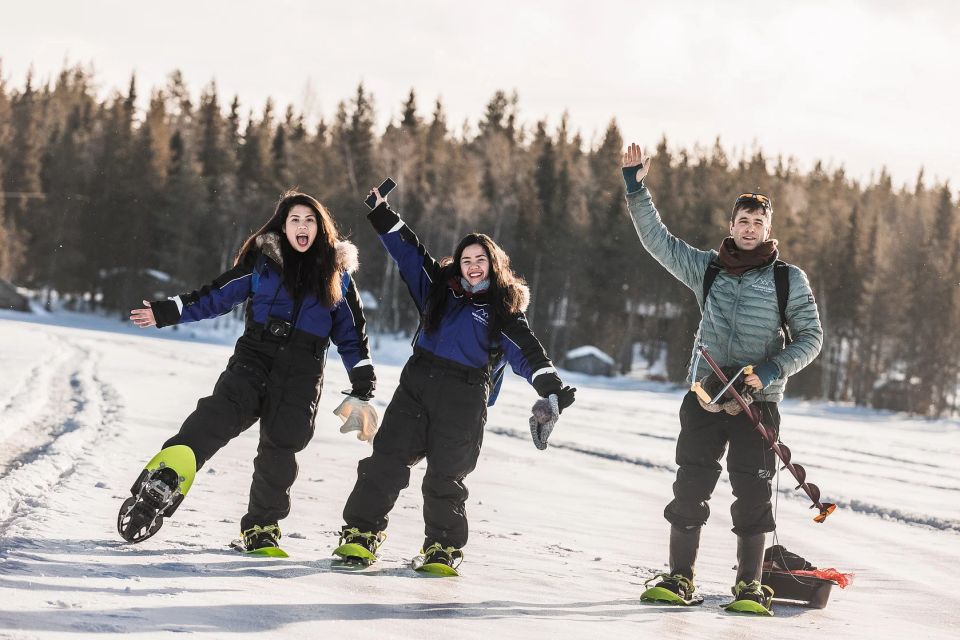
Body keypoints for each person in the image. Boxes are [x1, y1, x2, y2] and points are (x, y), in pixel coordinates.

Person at [621, 143, 823, 612]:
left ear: (768, 230)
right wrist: (635, 187)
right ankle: (679, 579)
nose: (749, 230)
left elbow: (810, 339)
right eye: (743, 222)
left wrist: (770, 370)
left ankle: (749, 586)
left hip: (758, 402)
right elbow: (658, 240)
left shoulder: (787, 280)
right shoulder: (708, 269)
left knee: (752, 494)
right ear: (731, 226)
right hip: (705, 397)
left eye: (758, 223)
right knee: (691, 486)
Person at [120, 190, 377, 551]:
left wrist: (362, 379)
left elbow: (352, 336)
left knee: (281, 448)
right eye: (294, 220)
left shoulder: (339, 277)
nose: (302, 227)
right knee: (217, 416)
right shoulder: (264, 264)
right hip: (255, 358)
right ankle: (164, 480)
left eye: (309, 220)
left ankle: (262, 526)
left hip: (302, 373)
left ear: (321, 228)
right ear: (283, 227)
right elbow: (215, 296)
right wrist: (167, 312)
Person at [335, 185, 576, 571]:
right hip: (417, 386)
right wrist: (382, 212)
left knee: (446, 477)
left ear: (493, 264)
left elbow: (529, 352)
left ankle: (443, 547)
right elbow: (408, 253)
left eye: (480, 259)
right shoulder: (438, 291)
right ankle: (361, 533)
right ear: (458, 264)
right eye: (466, 259)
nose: (473, 265)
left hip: (464, 399)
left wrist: (551, 389)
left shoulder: (504, 311)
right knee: (386, 462)